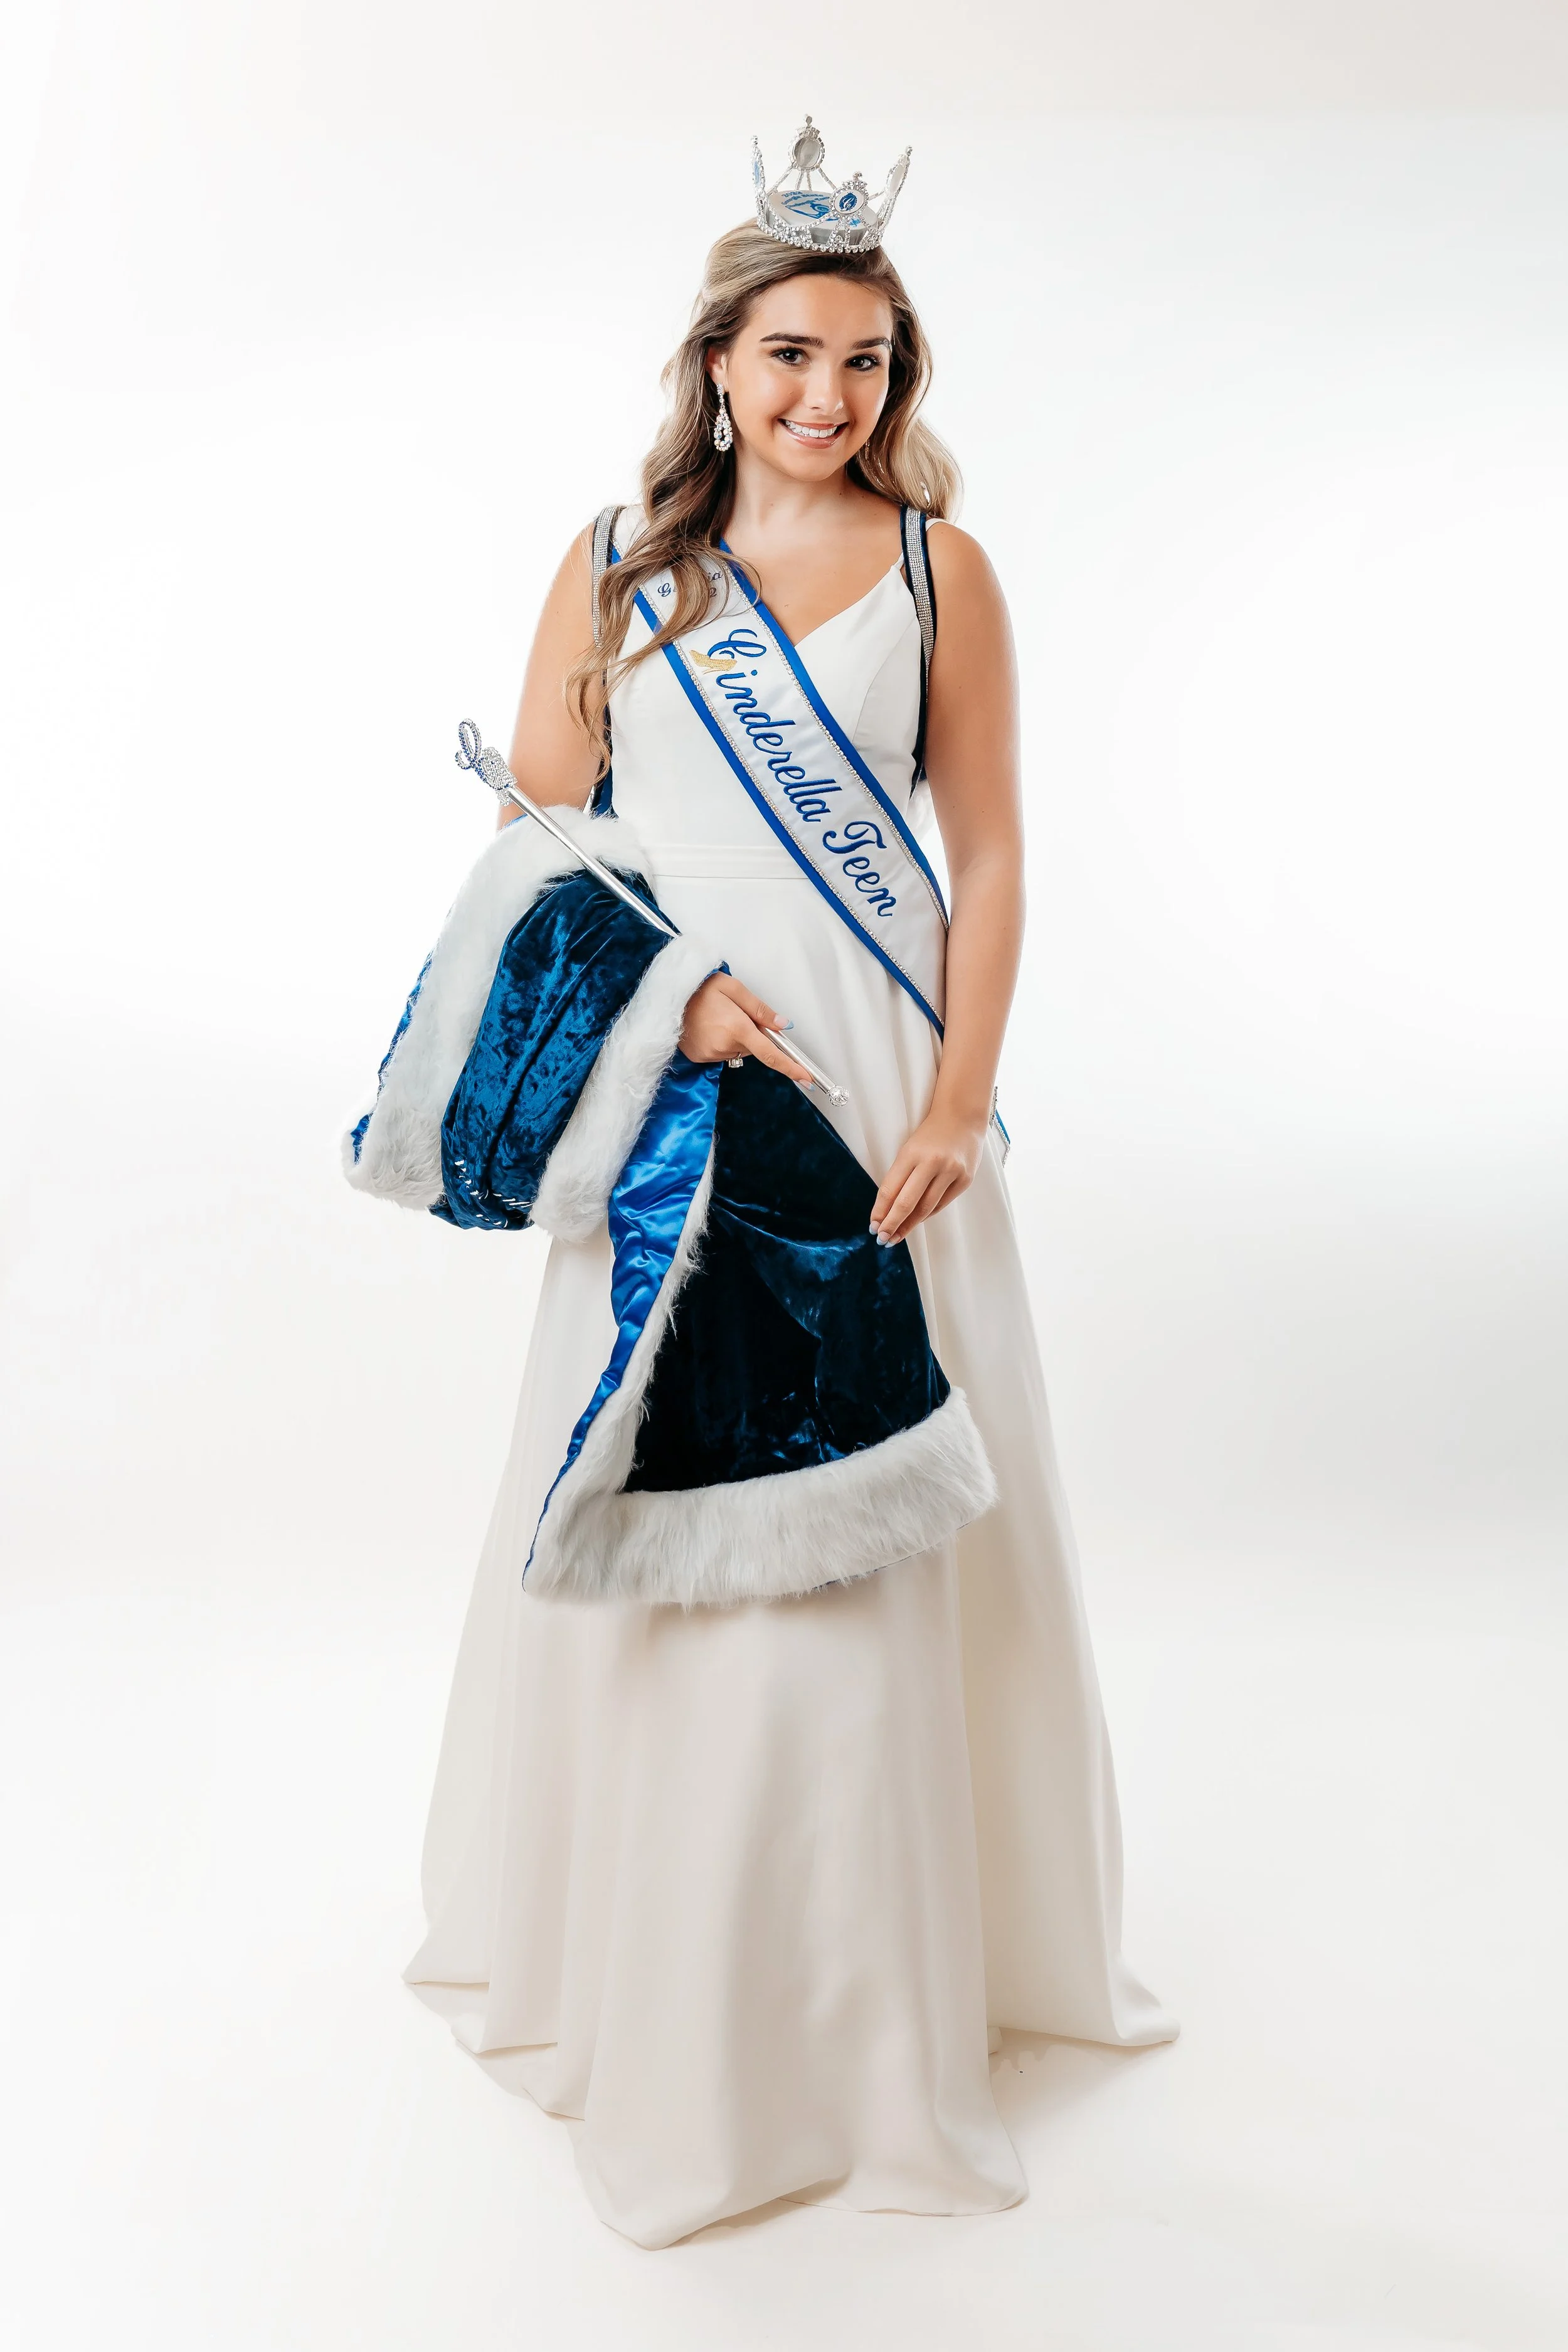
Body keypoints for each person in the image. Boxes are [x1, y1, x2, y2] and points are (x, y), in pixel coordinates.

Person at [401, 129, 1175, 2249]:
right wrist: (675, 1003)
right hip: (682, 1089)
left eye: (863, 360)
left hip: (882, 1081)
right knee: (674, 1482)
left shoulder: (941, 574)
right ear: (715, 363)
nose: (826, 394)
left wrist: (960, 1097)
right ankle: (658, 1981)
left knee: (890, 1505)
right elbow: (541, 844)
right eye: (788, 354)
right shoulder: (617, 569)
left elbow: (989, 850)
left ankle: (888, 1995)